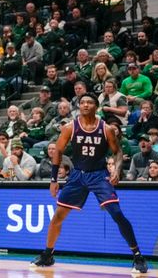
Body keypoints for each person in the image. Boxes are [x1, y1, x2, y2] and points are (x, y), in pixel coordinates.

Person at [31, 93, 148, 274]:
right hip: (77, 175)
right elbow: (58, 152)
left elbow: (117, 152)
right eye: (83, 102)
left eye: (90, 102)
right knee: (58, 216)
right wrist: (54, 180)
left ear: (96, 106)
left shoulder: (106, 129)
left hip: (99, 175)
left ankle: (138, 255)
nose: (85, 105)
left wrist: (117, 169)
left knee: (117, 214)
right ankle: (48, 254)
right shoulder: (70, 127)